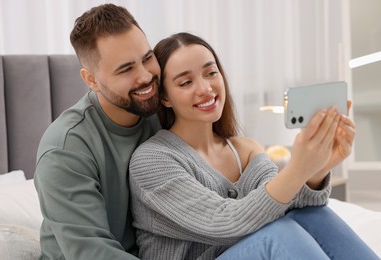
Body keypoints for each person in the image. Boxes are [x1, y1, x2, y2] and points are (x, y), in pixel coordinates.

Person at [128, 32, 379, 259]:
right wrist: (298, 168)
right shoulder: (151, 160)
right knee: (279, 234)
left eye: (211, 72)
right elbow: (228, 223)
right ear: (164, 98)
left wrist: (318, 169)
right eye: (185, 83)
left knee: (313, 216)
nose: (205, 88)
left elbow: (288, 204)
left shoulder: (245, 150)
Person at [34, 4, 162, 259]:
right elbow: (93, 252)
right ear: (91, 80)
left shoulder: (163, 111)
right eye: (126, 69)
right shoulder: (65, 148)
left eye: (147, 58)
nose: (146, 76)